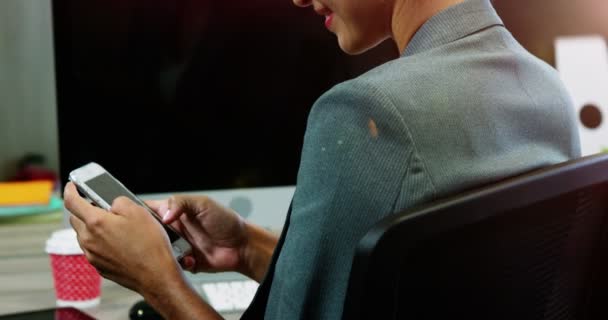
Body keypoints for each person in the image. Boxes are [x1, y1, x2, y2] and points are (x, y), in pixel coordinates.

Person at [64, 0, 581, 318]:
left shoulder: (366, 113)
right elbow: (413, 292)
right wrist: (247, 247)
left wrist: (156, 278)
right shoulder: (547, 91)